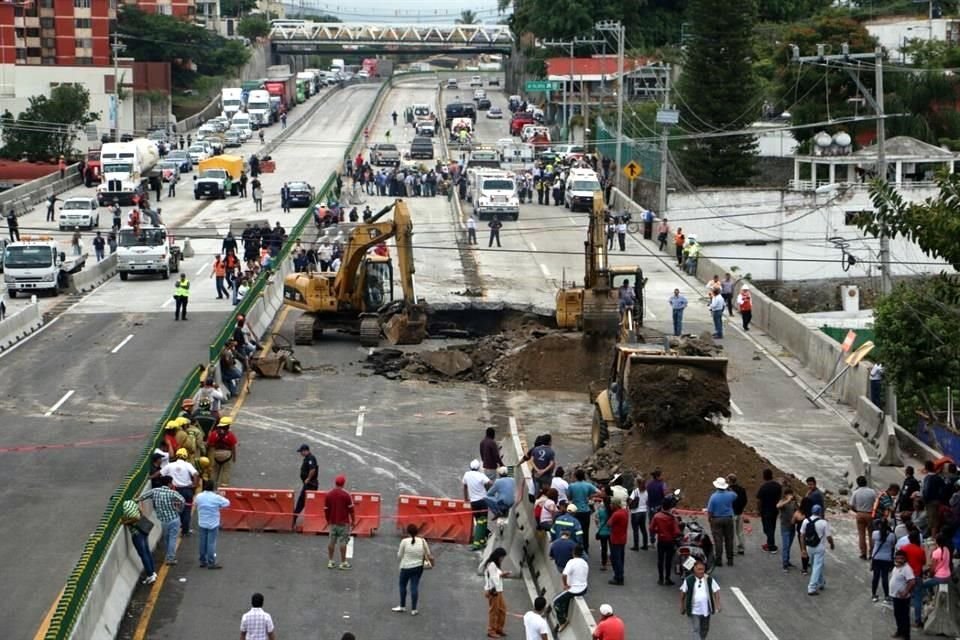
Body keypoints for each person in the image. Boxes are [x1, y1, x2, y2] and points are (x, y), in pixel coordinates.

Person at [137, 475, 185, 565]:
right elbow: (182, 500)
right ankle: (170, 558)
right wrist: (179, 509)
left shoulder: (155, 491)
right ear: (169, 484)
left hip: (163, 520)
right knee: (173, 539)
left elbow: (142, 497)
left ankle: (168, 555)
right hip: (174, 518)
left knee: (167, 539)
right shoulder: (172, 493)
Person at [394, 523, 433, 616]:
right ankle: (414, 609)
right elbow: (428, 553)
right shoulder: (422, 541)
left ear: (407, 532)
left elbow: (399, 555)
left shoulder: (404, 541)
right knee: (414, 586)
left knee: (402, 585)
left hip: (405, 567)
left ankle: (402, 606)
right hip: (418, 567)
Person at [680, 559, 721, 640]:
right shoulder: (688, 580)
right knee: (696, 629)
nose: (701, 571)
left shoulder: (709, 579)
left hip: (706, 611)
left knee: (705, 629)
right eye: (699, 569)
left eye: (703, 569)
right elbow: (682, 593)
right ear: (694, 569)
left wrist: (718, 604)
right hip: (694, 611)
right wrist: (682, 606)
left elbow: (716, 591)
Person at [162, 447, 198, 536]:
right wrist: (194, 484)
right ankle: (185, 531)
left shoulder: (170, 465)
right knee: (187, 510)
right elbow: (196, 474)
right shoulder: (188, 465)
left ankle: (175, 528)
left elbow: (160, 473)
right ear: (185, 456)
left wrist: (151, 477)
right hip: (187, 490)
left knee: (176, 510)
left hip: (175, 491)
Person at [120, 499, 157, 585]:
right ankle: (152, 572)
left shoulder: (125, 507)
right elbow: (140, 511)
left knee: (143, 554)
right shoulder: (131, 503)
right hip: (143, 531)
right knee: (147, 552)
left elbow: (135, 518)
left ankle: (150, 575)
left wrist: (125, 522)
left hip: (137, 534)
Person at [553, 544, 589, 633]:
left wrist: (565, 585)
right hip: (583, 588)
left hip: (574, 590)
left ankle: (562, 621)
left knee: (556, 602)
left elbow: (564, 574)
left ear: (573, 553)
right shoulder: (584, 563)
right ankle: (565, 612)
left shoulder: (571, 562)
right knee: (565, 599)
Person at [800, 504, 834, 595]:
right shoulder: (823, 523)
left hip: (809, 547)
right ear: (820, 512)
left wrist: (803, 549)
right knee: (817, 567)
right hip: (819, 547)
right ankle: (811, 588)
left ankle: (821, 582)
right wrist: (832, 544)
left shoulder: (805, 521)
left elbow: (802, 535)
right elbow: (828, 537)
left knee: (816, 566)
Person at [194, 480, 230, 568]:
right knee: (211, 543)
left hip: (202, 522)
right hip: (213, 523)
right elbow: (227, 503)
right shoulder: (216, 497)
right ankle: (211, 562)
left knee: (202, 542)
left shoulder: (199, 496)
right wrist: (220, 496)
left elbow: (195, 503)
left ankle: (203, 561)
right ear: (213, 488)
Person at [325, 474, 357, 569]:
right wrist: (353, 521)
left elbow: (326, 509)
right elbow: (351, 510)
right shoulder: (346, 495)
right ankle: (343, 562)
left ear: (335, 483)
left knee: (331, 541)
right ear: (343, 483)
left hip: (332, 522)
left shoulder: (329, 494)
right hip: (343, 523)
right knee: (343, 542)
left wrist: (328, 520)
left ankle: (330, 561)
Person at [706, 477, 736, 567]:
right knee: (729, 539)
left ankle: (719, 560)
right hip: (728, 518)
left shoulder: (713, 496)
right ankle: (730, 559)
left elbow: (710, 510)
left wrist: (709, 518)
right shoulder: (730, 495)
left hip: (716, 519)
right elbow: (735, 495)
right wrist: (728, 488)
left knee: (718, 540)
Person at [651, 495, 681, 585]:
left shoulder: (657, 516)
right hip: (670, 541)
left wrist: (658, 531)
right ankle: (667, 578)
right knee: (668, 560)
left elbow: (651, 528)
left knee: (660, 560)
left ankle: (660, 578)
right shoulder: (672, 518)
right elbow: (676, 531)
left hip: (661, 540)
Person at [464, 459, 492, 549]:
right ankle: (481, 540)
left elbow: (464, 486)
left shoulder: (466, 475)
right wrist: (488, 491)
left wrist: (466, 498)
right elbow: (490, 483)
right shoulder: (481, 475)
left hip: (474, 502)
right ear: (478, 468)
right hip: (483, 501)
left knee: (478, 520)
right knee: (483, 521)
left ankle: (482, 539)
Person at [567, 469, 597, 552]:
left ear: (576, 476)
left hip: (575, 511)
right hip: (586, 511)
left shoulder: (571, 486)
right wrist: (590, 496)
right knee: (585, 530)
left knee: (576, 530)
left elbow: (569, 497)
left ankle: (577, 547)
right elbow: (599, 492)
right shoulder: (588, 485)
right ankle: (586, 548)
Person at [849, 474, 878, 560]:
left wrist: (857, 511)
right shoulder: (872, 492)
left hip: (860, 514)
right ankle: (872, 553)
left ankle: (863, 553)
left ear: (858, 483)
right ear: (866, 482)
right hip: (870, 514)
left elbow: (851, 505)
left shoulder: (856, 492)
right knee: (871, 534)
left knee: (861, 535)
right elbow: (876, 503)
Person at [483, 547, 510, 638]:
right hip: (493, 591)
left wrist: (501, 574)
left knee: (502, 610)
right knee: (494, 612)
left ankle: (498, 628)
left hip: (498, 591)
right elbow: (493, 579)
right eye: (502, 557)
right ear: (498, 556)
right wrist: (502, 574)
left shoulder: (494, 565)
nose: (502, 559)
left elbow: (495, 576)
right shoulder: (491, 565)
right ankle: (491, 630)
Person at [891, 550, 917, 640]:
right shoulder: (897, 567)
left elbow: (912, 581)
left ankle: (906, 636)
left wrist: (905, 592)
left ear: (905, 559)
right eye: (897, 558)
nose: (899, 560)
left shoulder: (907, 568)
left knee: (904, 616)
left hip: (903, 598)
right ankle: (900, 631)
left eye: (901, 558)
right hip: (896, 596)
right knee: (897, 615)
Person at [870, 517, 897, 602]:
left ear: (879, 525)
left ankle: (874, 595)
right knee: (884, 577)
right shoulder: (892, 535)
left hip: (876, 558)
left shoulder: (875, 533)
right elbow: (893, 546)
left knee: (875, 577)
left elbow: (873, 544)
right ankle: (886, 595)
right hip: (886, 559)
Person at [756, 468, 782, 553]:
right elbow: (780, 497)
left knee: (767, 528)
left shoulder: (763, 487)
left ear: (764, 476)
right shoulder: (778, 486)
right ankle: (769, 542)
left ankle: (771, 547)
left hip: (765, 510)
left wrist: (759, 510)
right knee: (772, 527)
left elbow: (759, 500)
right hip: (775, 509)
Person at [207, 417, 238, 487]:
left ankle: (212, 485)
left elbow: (209, 444)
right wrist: (234, 457)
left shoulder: (214, 433)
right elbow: (233, 446)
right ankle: (224, 486)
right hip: (227, 455)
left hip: (216, 454)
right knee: (226, 470)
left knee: (214, 470)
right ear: (227, 426)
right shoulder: (230, 435)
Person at [293, 444, 318, 528]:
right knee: (305, 502)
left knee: (302, 501)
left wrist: (308, 478)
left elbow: (313, 469)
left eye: (301, 451)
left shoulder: (311, 458)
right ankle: (295, 517)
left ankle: (294, 518)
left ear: (305, 450)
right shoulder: (307, 458)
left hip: (310, 485)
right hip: (308, 484)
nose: (300, 453)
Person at [607, 498, 629, 585]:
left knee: (615, 559)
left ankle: (618, 577)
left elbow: (609, 523)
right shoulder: (625, 512)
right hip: (623, 538)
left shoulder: (616, 514)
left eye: (611, 504)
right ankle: (620, 574)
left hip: (616, 538)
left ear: (615, 505)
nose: (610, 505)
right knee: (621, 557)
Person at [776, 487, 798, 571]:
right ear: (785, 495)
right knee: (785, 545)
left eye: (791, 494)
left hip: (792, 527)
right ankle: (784, 564)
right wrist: (787, 500)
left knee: (789, 545)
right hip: (785, 526)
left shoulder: (794, 502)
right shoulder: (783, 501)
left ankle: (787, 561)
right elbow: (778, 506)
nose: (790, 496)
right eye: (788, 494)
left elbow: (798, 510)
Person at [629, 477, 649, 550]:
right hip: (643, 512)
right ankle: (645, 544)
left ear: (638, 483)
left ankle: (636, 546)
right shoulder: (646, 491)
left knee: (635, 530)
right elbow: (647, 501)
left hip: (635, 512)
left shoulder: (635, 491)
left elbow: (630, 500)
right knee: (643, 529)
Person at [595, 496, 612, 572]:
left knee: (604, 549)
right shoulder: (612, 511)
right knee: (612, 547)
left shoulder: (600, 511)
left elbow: (596, 520)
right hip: (611, 531)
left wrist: (599, 527)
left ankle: (604, 564)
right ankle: (612, 560)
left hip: (602, 532)